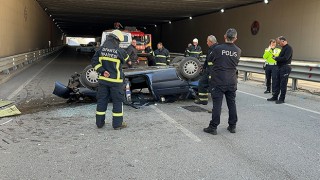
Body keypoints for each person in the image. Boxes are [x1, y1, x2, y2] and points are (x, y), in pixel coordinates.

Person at [203, 28, 241, 135]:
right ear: (235, 38)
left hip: (218, 80)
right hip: (232, 80)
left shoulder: (217, 49)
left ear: (225, 36)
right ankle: (232, 126)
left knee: (217, 105)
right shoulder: (238, 50)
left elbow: (210, 60)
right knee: (232, 103)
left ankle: (213, 127)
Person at [91, 30, 129, 129]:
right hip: (116, 82)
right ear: (117, 40)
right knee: (117, 102)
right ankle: (117, 125)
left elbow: (94, 62)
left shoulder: (100, 49)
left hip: (103, 80)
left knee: (102, 101)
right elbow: (126, 59)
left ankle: (99, 123)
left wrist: (102, 71)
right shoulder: (119, 51)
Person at [267, 36, 293, 104]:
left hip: (285, 67)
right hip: (280, 67)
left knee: (283, 84)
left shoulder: (288, 48)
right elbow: (281, 57)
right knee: (277, 83)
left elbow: (285, 58)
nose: (278, 44)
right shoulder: (283, 48)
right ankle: (275, 96)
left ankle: (282, 99)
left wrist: (276, 58)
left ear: (283, 41)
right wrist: (276, 57)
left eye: (279, 43)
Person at [194, 35, 218, 105]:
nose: (206, 43)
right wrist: (203, 68)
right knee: (202, 82)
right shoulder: (210, 49)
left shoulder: (217, 49)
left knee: (213, 89)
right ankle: (203, 100)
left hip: (213, 72)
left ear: (210, 42)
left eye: (207, 41)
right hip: (208, 71)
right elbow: (207, 61)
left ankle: (216, 106)